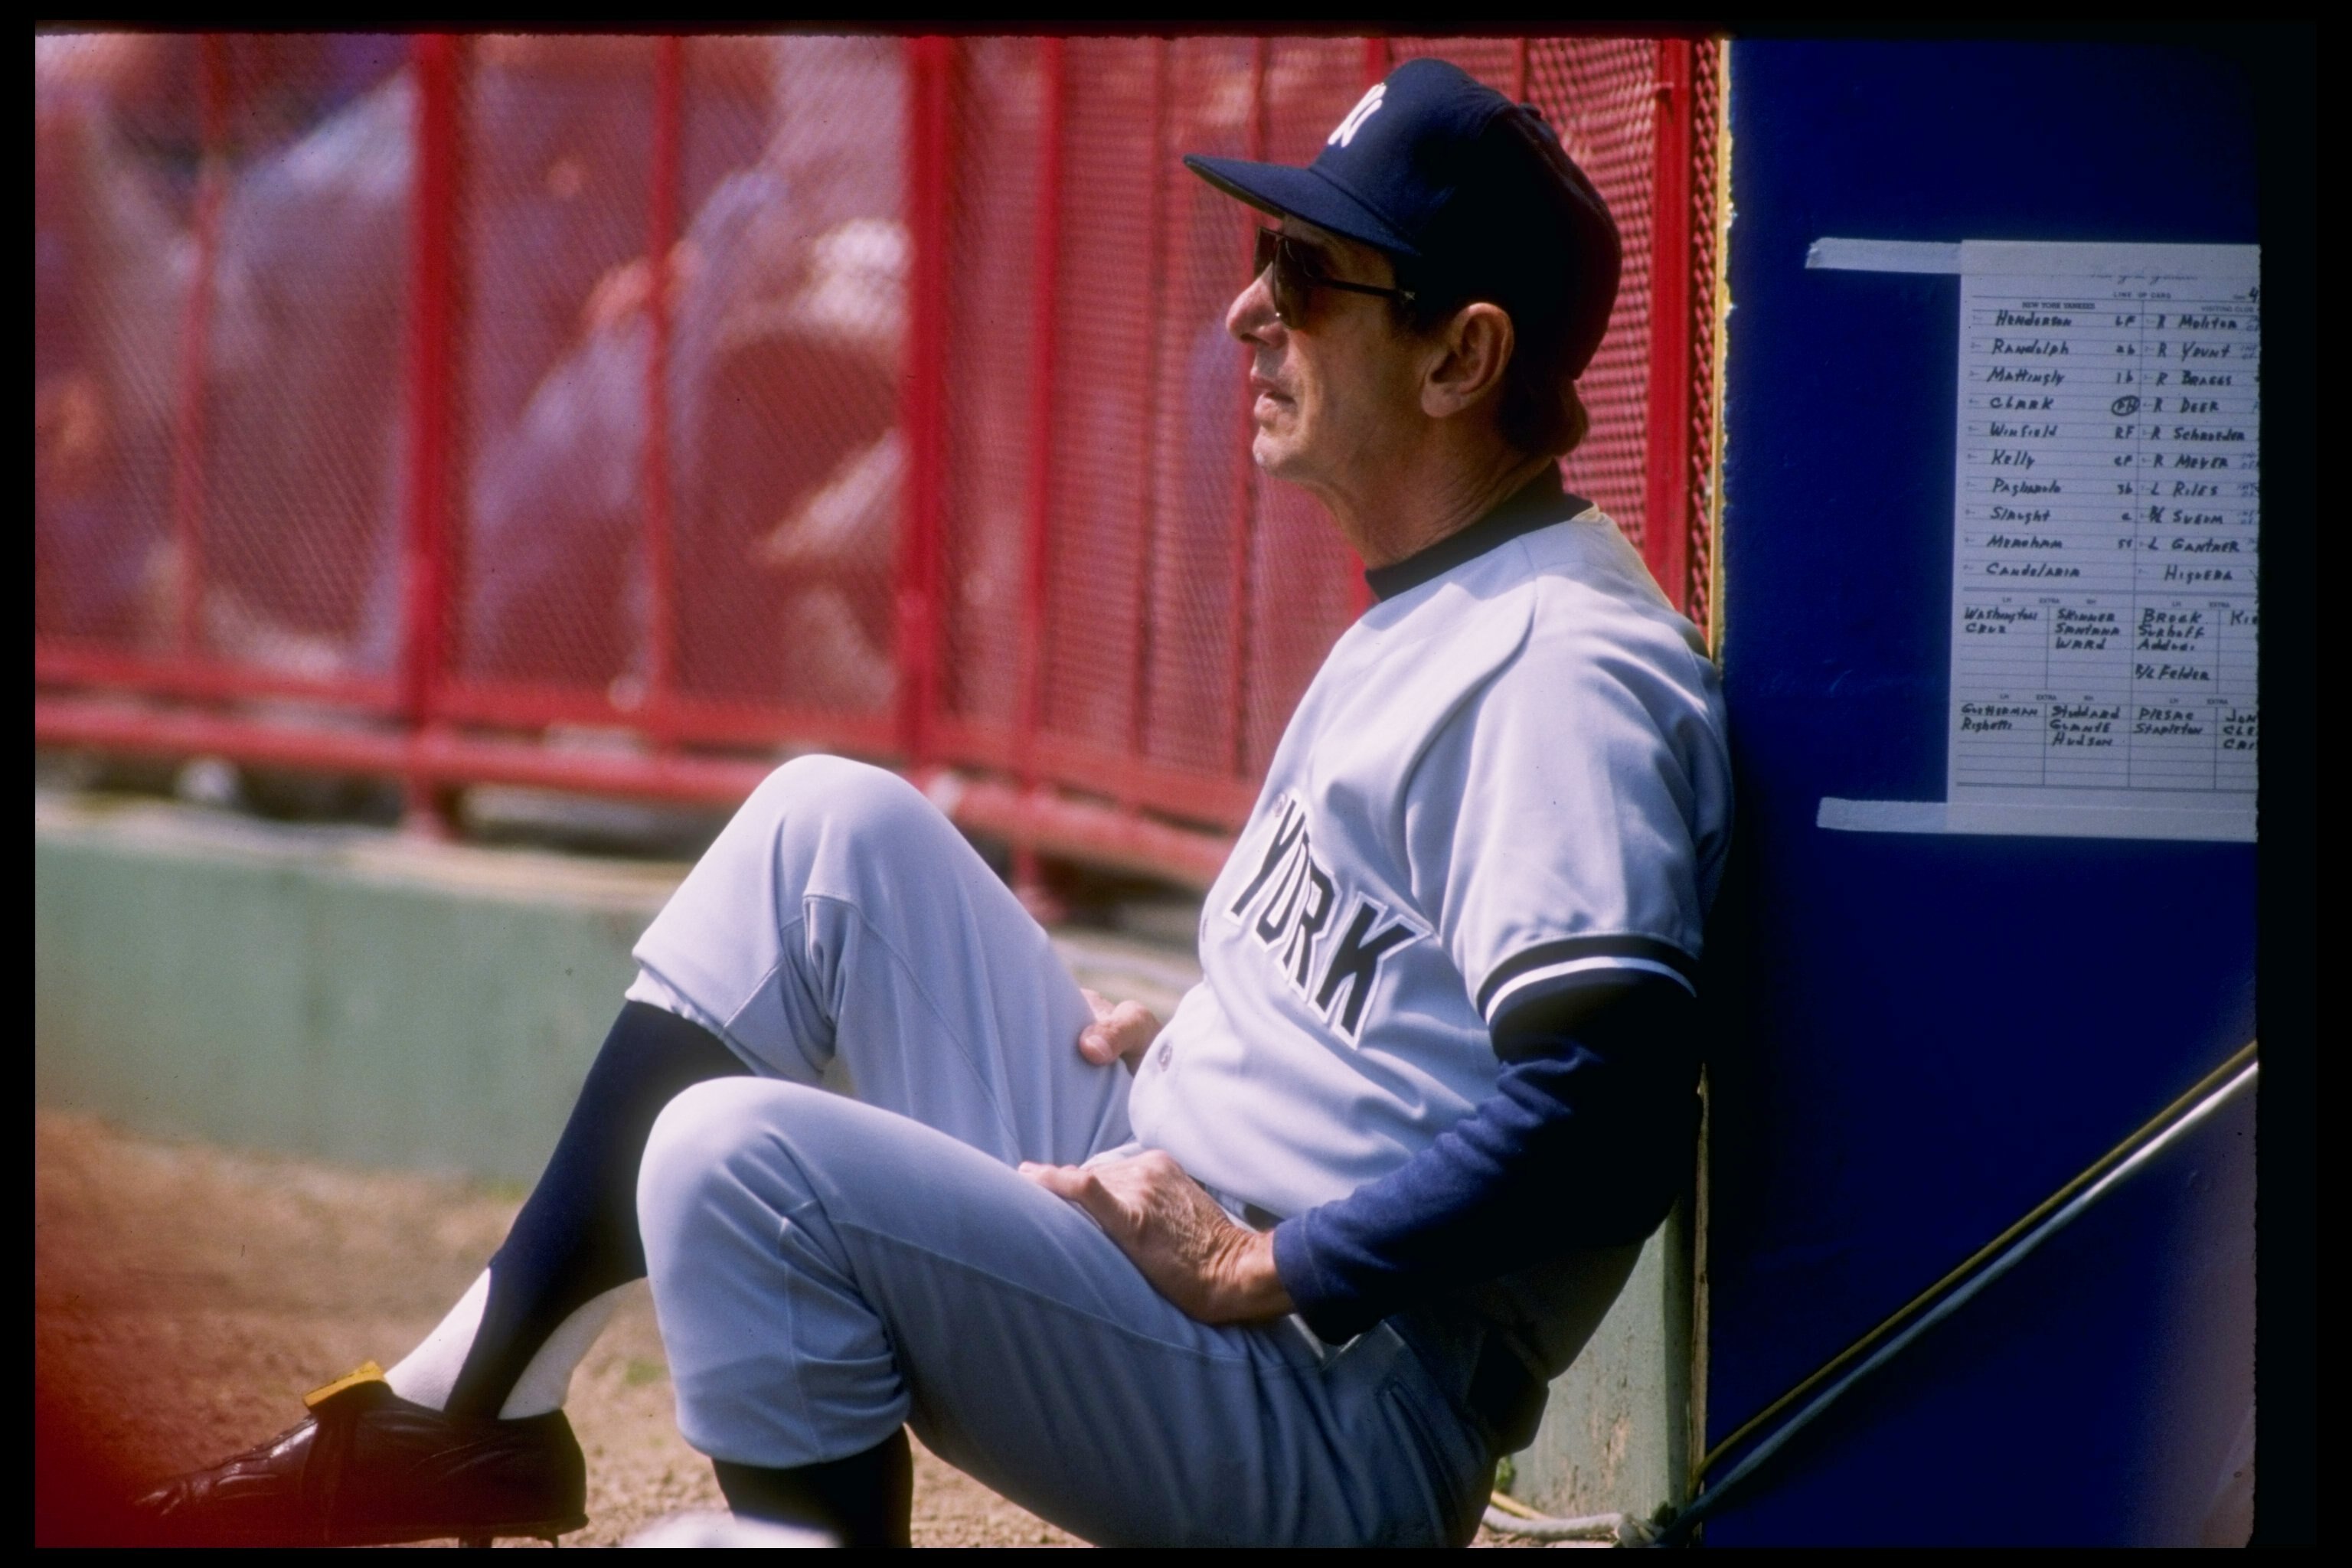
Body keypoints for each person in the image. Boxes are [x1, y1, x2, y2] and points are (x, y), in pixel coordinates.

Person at [132, 57, 1730, 1548]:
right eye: (1269, 258)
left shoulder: (1564, 669)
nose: (1252, 310)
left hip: (1328, 1400)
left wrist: (1274, 1257)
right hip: (1192, 1227)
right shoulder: (1446, 600)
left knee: (732, 1159)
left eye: (1311, 279)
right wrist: (1235, 1041)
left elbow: (1614, 1108)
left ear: (1462, 356)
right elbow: (1423, 1019)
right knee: (828, 828)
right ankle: (468, 1401)